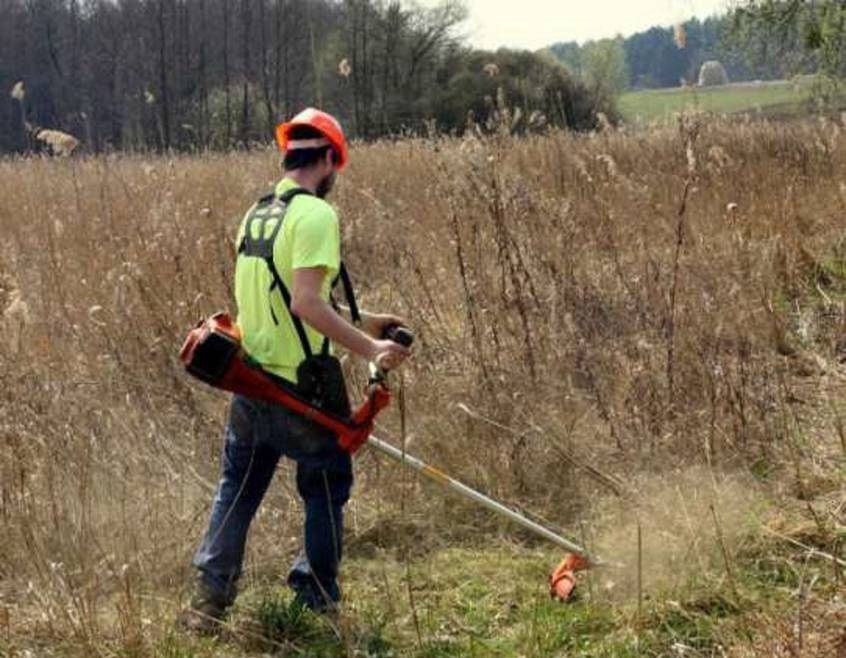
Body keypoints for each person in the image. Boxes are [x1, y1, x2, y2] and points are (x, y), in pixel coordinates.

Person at [179, 108, 410, 633]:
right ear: (327, 158)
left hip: (249, 380)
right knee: (327, 484)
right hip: (301, 386)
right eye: (336, 165)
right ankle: (316, 599)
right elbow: (306, 304)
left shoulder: (258, 213)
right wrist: (372, 349)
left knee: (237, 489)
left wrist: (367, 320)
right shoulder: (316, 215)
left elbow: (284, 297)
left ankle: (208, 602)